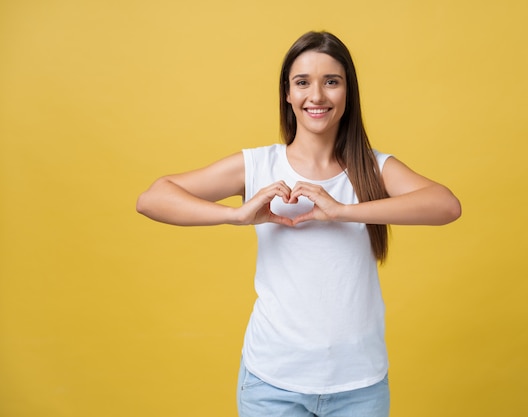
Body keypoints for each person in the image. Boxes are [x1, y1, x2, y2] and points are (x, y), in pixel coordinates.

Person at [137, 30, 461, 417]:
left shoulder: (374, 168)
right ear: (287, 94)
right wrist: (235, 215)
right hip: (272, 383)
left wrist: (342, 210)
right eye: (302, 82)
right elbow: (153, 198)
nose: (317, 96)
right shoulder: (257, 165)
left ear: (348, 93)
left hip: (359, 384)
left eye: (332, 82)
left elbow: (446, 205)